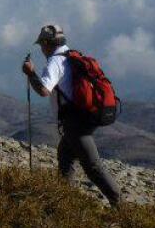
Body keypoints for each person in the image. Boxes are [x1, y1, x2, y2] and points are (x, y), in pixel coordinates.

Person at [22, 24, 121, 206]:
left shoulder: (55, 62)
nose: (42, 49)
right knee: (65, 156)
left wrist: (31, 73)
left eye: (42, 45)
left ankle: (120, 206)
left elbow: (44, 90)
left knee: (92, 166)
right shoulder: (73, 56)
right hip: (83, 117)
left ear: (47, 43)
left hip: (74, 122)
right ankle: (64, 202)